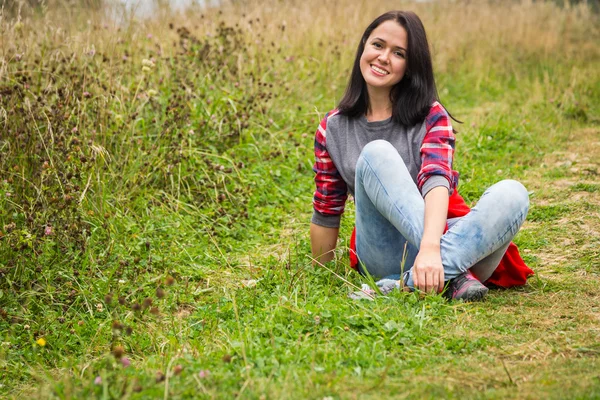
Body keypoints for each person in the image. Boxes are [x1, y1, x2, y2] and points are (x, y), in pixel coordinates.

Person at [309, 10, 533, 301]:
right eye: (378, 45)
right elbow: (327, 210)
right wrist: (320, 275)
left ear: (410, 66)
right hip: (384, 251)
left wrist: (430, 248)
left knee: (512, 194)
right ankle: (453, 273)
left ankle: (399, 285)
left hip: (439, 244)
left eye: (398, 53)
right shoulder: (333, 128)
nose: (384, 57)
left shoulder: (431, 115)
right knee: (377, 153)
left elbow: (436, 180)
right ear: (363, 46)